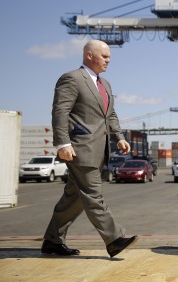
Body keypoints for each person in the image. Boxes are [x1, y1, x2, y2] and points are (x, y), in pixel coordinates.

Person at [42, 40, 138, 258]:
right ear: (88, 55)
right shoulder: (72, 79)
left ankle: (52, 241)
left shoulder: (105, 84)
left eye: (109, 57)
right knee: (94, 194)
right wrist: (62, 143)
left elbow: (109, 114)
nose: (108, 61)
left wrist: (119, 137)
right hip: (80, 148)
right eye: (104, 56)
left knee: (73, 199)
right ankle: (114, 239)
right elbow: (60, 112)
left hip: (99, 148)